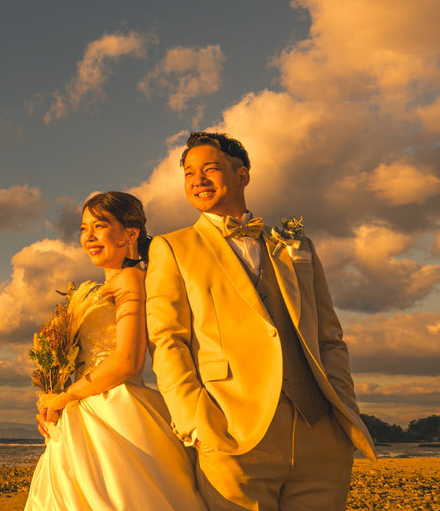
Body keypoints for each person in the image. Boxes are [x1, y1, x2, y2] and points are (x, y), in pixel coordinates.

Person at [145, 131, 376, 511]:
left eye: (210, 169)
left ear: (242, 176)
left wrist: (343, 411)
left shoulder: (295, 245)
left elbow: (329, 337)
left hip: (321, 437)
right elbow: (167, 340)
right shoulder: (172, 247)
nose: (197, 180)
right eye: (188, 173)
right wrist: (197, 423)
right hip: (232, 434)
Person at [25, 191, 206, 511]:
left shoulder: (131, 280)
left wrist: (66, 397)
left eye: (100, 225)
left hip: (115, 411)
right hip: (85, 410)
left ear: (130, 233)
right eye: (83, 228)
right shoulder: (105, 287)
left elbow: (128, 359)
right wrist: (53, 397)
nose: (89, 236)